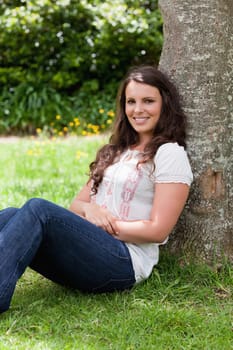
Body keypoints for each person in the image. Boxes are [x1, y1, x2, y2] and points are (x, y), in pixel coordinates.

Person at [0, 65, 193, 314]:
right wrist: (91, 210)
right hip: (89, 248)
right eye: (131, 101)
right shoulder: (115, 151)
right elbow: (76, 206)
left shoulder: (169, 154)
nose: (138, 109)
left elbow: (158, 230)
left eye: (148, 101)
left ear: (165, 104)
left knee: (39, 209)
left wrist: (105, 226)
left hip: (123, 261)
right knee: (11, 215)